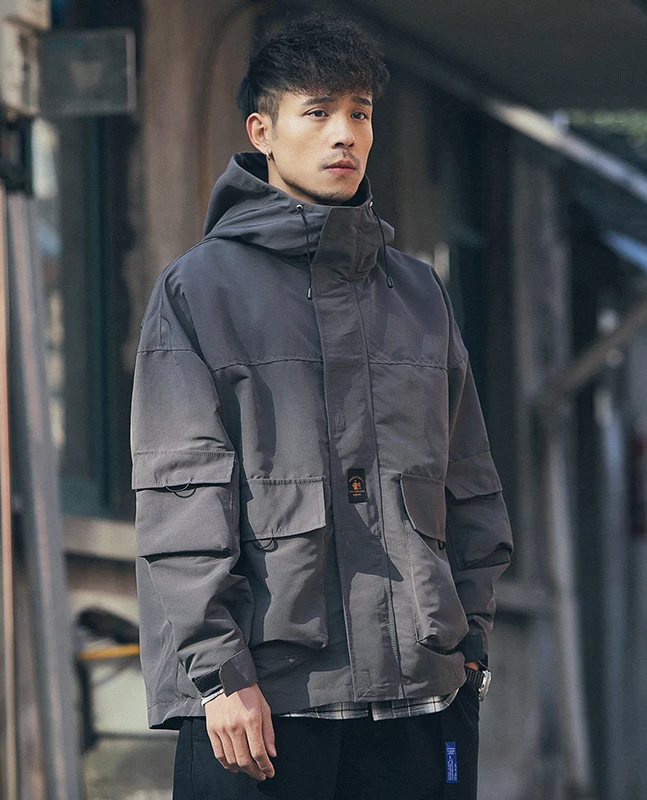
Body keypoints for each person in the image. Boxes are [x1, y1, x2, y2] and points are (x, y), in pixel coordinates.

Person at [130, 13, 513, 800]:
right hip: (262, 708)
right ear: (262, 132)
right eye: (318, 112)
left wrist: (469, 646)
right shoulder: (198, 292)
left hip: (423, 703)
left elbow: (470, 480)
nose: (345, 134)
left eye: (360, 113)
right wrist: (218, 676)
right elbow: (180, 498)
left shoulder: (418, 293)